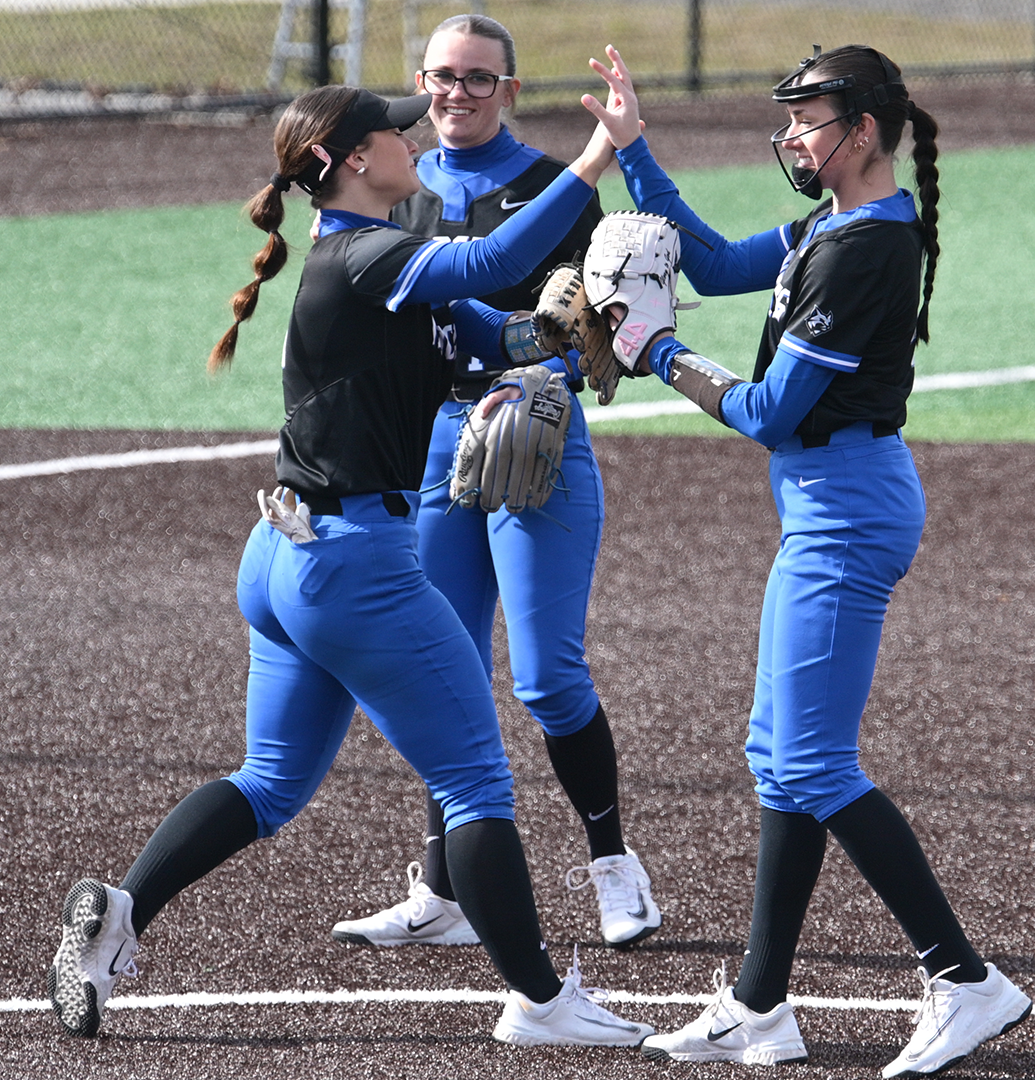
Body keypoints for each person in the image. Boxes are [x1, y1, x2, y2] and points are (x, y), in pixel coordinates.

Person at [44, 83, 653, 1050]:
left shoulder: (369, 266)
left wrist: (553, 331)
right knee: (476, 787)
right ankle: (542, 1002)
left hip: (285, 558)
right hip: (358, 567)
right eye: (396, 133)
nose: (416, 139)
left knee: (271, 782)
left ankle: (119, 915)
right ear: (356, 162)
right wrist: (594, 158)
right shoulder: (369, 255)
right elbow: (491, 257)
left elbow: (481, 332)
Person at [579, 45, 1032, 1075]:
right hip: (825, 504)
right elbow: (710, 262)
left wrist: (656, 352)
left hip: (848, 511)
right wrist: (635, 147)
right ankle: (759, 1005)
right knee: (776, 754)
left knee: (814, 763)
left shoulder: (866, 250)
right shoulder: (832, 226)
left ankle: (964, 980)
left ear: (861, 133)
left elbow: (772, 414)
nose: (790, 136)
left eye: (808, 121)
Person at [328, 13, 661, 954]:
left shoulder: (550, 188)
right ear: (421, 83)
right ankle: (442, 890)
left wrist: (554, 364)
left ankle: (612, 866)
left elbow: (610, 337)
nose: (457, 93)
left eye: (479, 78)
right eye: (443, 76)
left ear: (510, 91)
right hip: (431, 450)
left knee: (549, 677)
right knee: (446, 674)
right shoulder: (394, 186)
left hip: (537, 444)